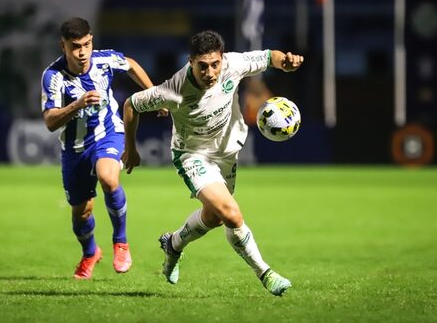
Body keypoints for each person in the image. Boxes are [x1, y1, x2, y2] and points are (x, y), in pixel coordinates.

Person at [121, 30, 304, 296]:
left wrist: (284, 62)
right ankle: (265, 273)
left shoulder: (233, 64)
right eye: (203, 66)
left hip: (227, 152)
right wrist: (131, 147)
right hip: (192, 155)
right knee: (231, 214)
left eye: (215, 64)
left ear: (221, 60)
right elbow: (130, 104)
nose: (210, 72)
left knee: (215, 218)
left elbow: (267, 57)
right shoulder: (174, 91)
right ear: (191, 62)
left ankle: (173, 244)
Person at [41, 17, 163, 279]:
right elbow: (50, 121)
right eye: (75, 46)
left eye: (86, 44)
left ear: (91, 40)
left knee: (109, 178)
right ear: (62, 46)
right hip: (74, 148)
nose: (82, 52)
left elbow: (130, 64)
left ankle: (121, 242)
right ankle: (90, 253)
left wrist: (154, 94)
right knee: (81, 212)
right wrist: (78, 104)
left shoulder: (104, 60)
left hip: (108, 132)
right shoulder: (53, 77)